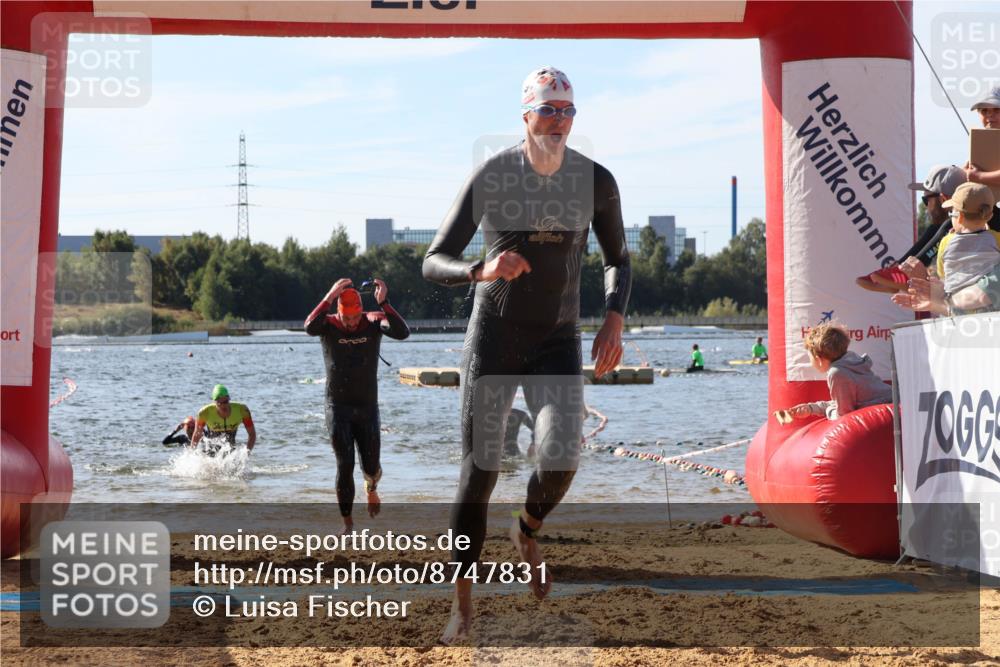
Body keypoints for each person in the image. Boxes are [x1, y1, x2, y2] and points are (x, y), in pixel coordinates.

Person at [422, 65, 631, 643]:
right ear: (526, 115)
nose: (559, 121)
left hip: (557, 338)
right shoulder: (493, 175)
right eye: (548, 110)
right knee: (479, 471)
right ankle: (462, 606)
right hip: (493, 334)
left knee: (561, 456)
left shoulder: (595, 181)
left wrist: (614, 315)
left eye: (567, 111)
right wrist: (480, 269)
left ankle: (526, 529)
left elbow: (618, 257)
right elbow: (432, 259)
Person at [304, 278, 410, 534]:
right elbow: (308, 326)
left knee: (371, 467)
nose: (350, 324)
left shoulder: (373, 320)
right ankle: (348, 523)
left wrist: (384, 302)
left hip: (367, 407)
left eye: (354, 318)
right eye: (346, 318)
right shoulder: (328, 324)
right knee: (345, 463)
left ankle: (371, 487)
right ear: (338, 312)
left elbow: (402, 332)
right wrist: (330, 295)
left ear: (360, 312)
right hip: (337, 405)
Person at [893, 183, 1000, 315]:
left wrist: (938, 296)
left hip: (958, 317)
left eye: (951, 213)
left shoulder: (946, 242)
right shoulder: (995, 239)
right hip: (990, 316)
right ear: (989, 216)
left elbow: (944, 275)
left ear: (959, 217)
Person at [856, 165, 966, 293]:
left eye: (926, 200)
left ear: (943, 198)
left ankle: (904, 272)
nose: (926, 207)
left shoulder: (959, 226)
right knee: (937, 227)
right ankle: (900, 268)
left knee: (948, 224)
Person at [780, 324, 892, 421]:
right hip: (892, 406)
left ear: (818, 359)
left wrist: (828, 410)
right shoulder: (851, 360)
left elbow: (844, 415)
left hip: (884, 415)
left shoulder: (837, 373)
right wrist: (811, 408)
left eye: (809, 357)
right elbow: (843, 404)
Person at [190, 385, 256, 454]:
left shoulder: (242, 410)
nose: (223, 406)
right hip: (212, 445)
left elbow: (252, 434)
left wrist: (247, 453)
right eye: (220, 403)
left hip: (230, 444)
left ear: (229, 399)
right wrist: (191, 453)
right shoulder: (204, 412)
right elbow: (197, 434)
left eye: (225, 402)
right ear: (214, 402)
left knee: (232, 460)